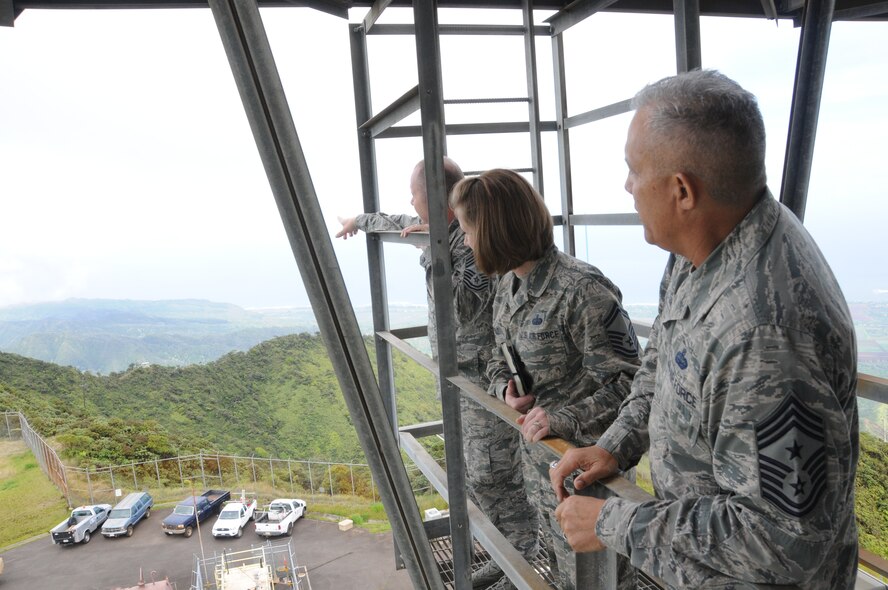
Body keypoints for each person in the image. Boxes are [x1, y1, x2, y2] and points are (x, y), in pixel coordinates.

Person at [550, 69, 860, 590]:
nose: (627, 186)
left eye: (633, 170)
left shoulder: (764, 333)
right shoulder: (707, 247)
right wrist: (616, 444)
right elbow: (662, 363)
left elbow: (782, 540)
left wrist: (611, 522)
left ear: (681, 191)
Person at [336, 158, 539, 589]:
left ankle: (521, 561)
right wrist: (359, 221)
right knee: (473, 476)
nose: (409, 202)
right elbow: (397, 219)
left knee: (493, 475)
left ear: (437, 198)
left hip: (486, 379)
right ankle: (504, 557)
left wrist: (433, 251)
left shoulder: (471, 242)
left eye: (414, 194)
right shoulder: (443, 229)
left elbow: (463, 305)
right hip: (457, 379)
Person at [451, 168, 641, 590]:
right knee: (561, 575)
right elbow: (498, 355)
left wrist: (561, 419)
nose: (465, 241)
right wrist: (506, 389)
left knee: (603, 582)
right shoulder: (508, 285)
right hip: (542, 473)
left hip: (590, 474)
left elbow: (633, 385)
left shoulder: (582, 291)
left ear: (496, 230)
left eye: (468, 230)